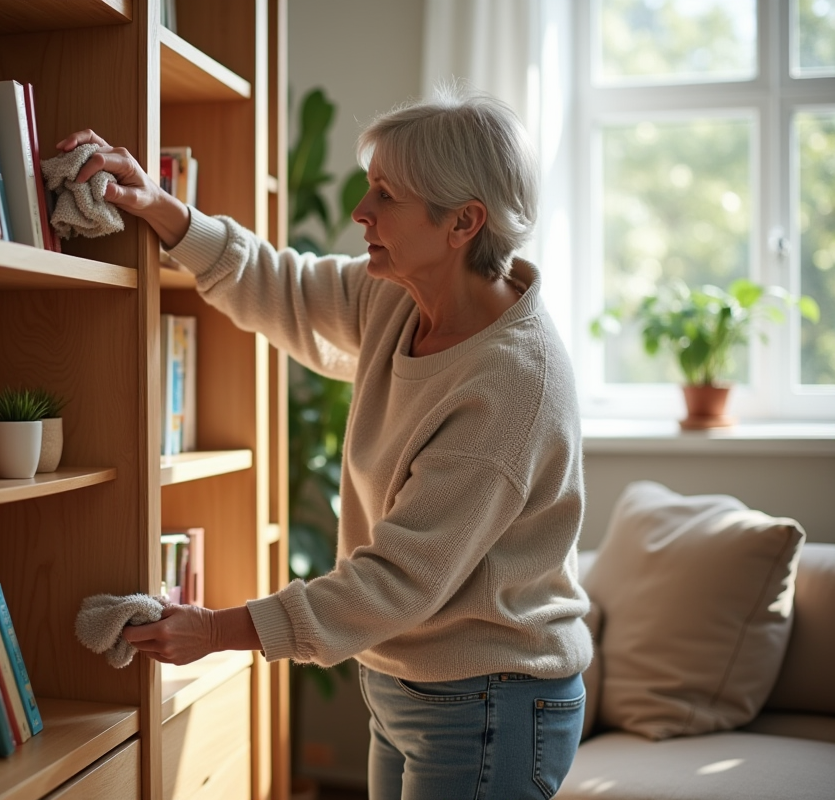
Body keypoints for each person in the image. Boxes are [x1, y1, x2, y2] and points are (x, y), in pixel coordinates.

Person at [58, 81, 592, 800]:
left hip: (491, 699)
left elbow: (396, 581)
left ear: (462, 222)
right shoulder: (400, 293)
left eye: (386, 195)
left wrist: (215, 631)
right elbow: (284, 286)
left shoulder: (512, 385)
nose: (359, 211)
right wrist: (157, 205)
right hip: (408, 683)